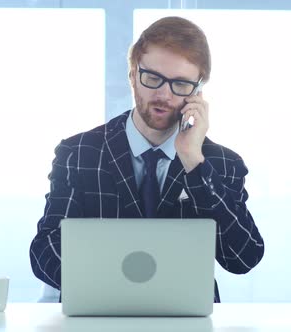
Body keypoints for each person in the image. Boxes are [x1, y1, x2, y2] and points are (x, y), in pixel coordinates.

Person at [29, 16, 264, 303]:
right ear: (132, 75)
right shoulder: (80, 152)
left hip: (187, 322)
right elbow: (45, 249)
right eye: (152, 78)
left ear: (197, 93)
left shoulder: (219, 162)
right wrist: (111, 288)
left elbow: (243, 257)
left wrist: (193, 161)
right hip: (100, 316)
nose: (163, 95)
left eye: (180, 84)